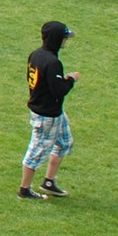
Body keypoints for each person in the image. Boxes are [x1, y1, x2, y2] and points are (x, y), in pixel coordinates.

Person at [21, 21, 77, 200]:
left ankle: (49, 182)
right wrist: (70, 80)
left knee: (64, 142)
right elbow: (59, 90)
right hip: (47, 115)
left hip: (52, 111)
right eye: (64, 38)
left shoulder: (36, 54)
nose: (65, 41)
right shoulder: (53, 62)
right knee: (37, 151)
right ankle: (24, 190)